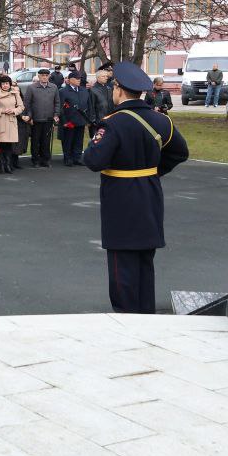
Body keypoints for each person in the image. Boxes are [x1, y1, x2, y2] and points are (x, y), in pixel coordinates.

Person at [82, 61, 189, 314]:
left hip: (121, 197)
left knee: (122, 265)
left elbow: (93, 160)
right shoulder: (160, 120)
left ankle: (128, 320)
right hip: (150, 192)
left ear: (118, 89)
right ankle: (146, 315)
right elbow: (180, 152)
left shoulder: (113, 123)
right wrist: (151, 171)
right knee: (144, 260)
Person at [21, 69, 59, 167]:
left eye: (46, 75)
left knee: (46, 141)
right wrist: (30, 117)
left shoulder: (54, 87)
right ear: (39, 76)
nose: (44, 77)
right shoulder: (31, 87)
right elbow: (27, 103)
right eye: (42, 75)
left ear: (49, 76)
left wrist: (56, 114)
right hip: (36, 119)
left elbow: (57, 103)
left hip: (48, 119)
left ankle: (45, 160)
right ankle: (35, 160)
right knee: (35, 141)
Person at [0, 75, 24, 174]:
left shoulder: (15, 93)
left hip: (11, 121)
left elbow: (21, 107)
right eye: (3, 83)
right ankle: (1, 164)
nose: (5, 85)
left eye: (7, 83)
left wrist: (13, 111)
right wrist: (3, 111)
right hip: (0, 120)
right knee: (1, 144)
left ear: (9, 84)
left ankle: (8, 165)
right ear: (0, 84)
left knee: (9, 145)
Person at [57, 71, 93, 166]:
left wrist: (88, 119)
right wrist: (64, 121)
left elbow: (89, 105)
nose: (79, 80)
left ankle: (77, 158)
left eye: (79, 79)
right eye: (77, 79)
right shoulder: (63, 91)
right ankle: (68, 158)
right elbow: (60, 107)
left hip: (81, 120)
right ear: (70, 80)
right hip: (69, 121)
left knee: (78, 140)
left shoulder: (84, 90)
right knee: (68, 140)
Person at [89, 66, 115, 140]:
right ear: (98, 78)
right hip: (98, 121)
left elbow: (112, 104)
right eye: (103, 76)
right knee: (98, 141)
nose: (106, 78)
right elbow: (91, 106)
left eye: (106, 76)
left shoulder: (109, 89)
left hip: (110, 119)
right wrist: (93, 121)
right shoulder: (93, 90)